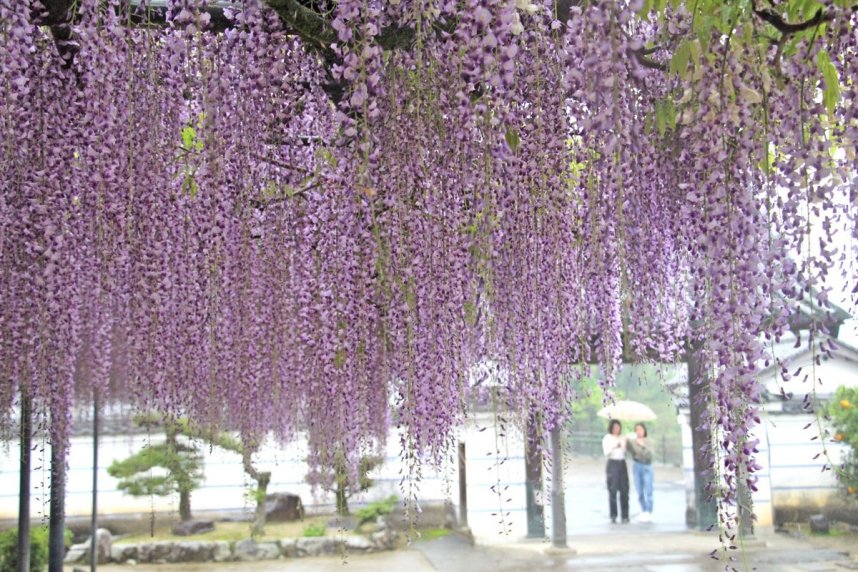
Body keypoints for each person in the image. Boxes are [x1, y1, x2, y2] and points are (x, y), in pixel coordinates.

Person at [602, 419, 629, 523]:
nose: (617, 429)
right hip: (612, 463)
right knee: (612, 489)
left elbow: (624, 452)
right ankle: (613, 515)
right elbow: (606, 452)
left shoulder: (622, 438)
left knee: (624, 490)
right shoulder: (607, 438)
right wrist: (614, 446)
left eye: (618, 427)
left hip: (622, 463)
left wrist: (624, 444)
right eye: (615, 427)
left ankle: (625, 515)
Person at [627, 422, 654, 522]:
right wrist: (627, 439)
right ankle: (643, 510)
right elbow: (630, 451)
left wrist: (643, 445)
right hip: (637, 465)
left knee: (649, 489)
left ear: (644, 430)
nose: (639, 431)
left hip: (647, 465)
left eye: (640, 429)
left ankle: (649, 511)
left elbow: (650, 454)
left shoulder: (648, 441)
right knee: (639, 490)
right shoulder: (633, 442)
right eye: (637, 430)